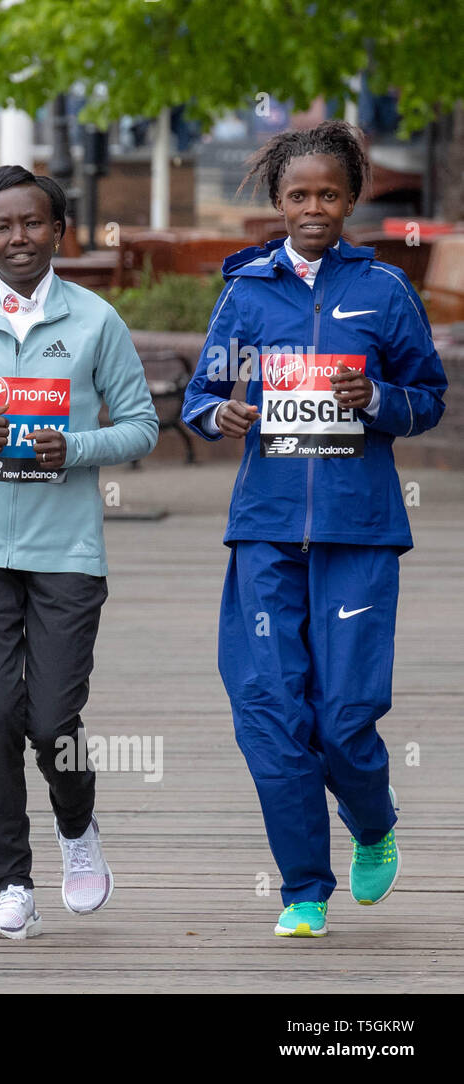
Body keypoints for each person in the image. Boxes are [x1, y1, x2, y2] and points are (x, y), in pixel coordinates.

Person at [181, 120, 447, 937]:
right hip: (264, 531)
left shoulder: (385, 292)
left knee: (342, 714)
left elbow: (427, 395)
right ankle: (302, 887)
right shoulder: (246, 292)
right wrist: (215, 412)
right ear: (278, 201)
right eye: (299, 195)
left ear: (351, 199)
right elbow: (201, 394)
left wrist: (383, 405)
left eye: (329, 194)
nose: (314, 208)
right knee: (267, 707)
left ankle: (372, 820)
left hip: (359, 531)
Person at [0, 165, 158, 939]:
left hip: (67, 551)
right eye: (3, 227)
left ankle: (77, 830)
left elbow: (140, 426)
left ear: (58, 232)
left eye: (34, 223)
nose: (19, 238)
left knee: (51, 719)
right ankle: (13, 885)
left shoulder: (95, 321)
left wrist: (72, 448)